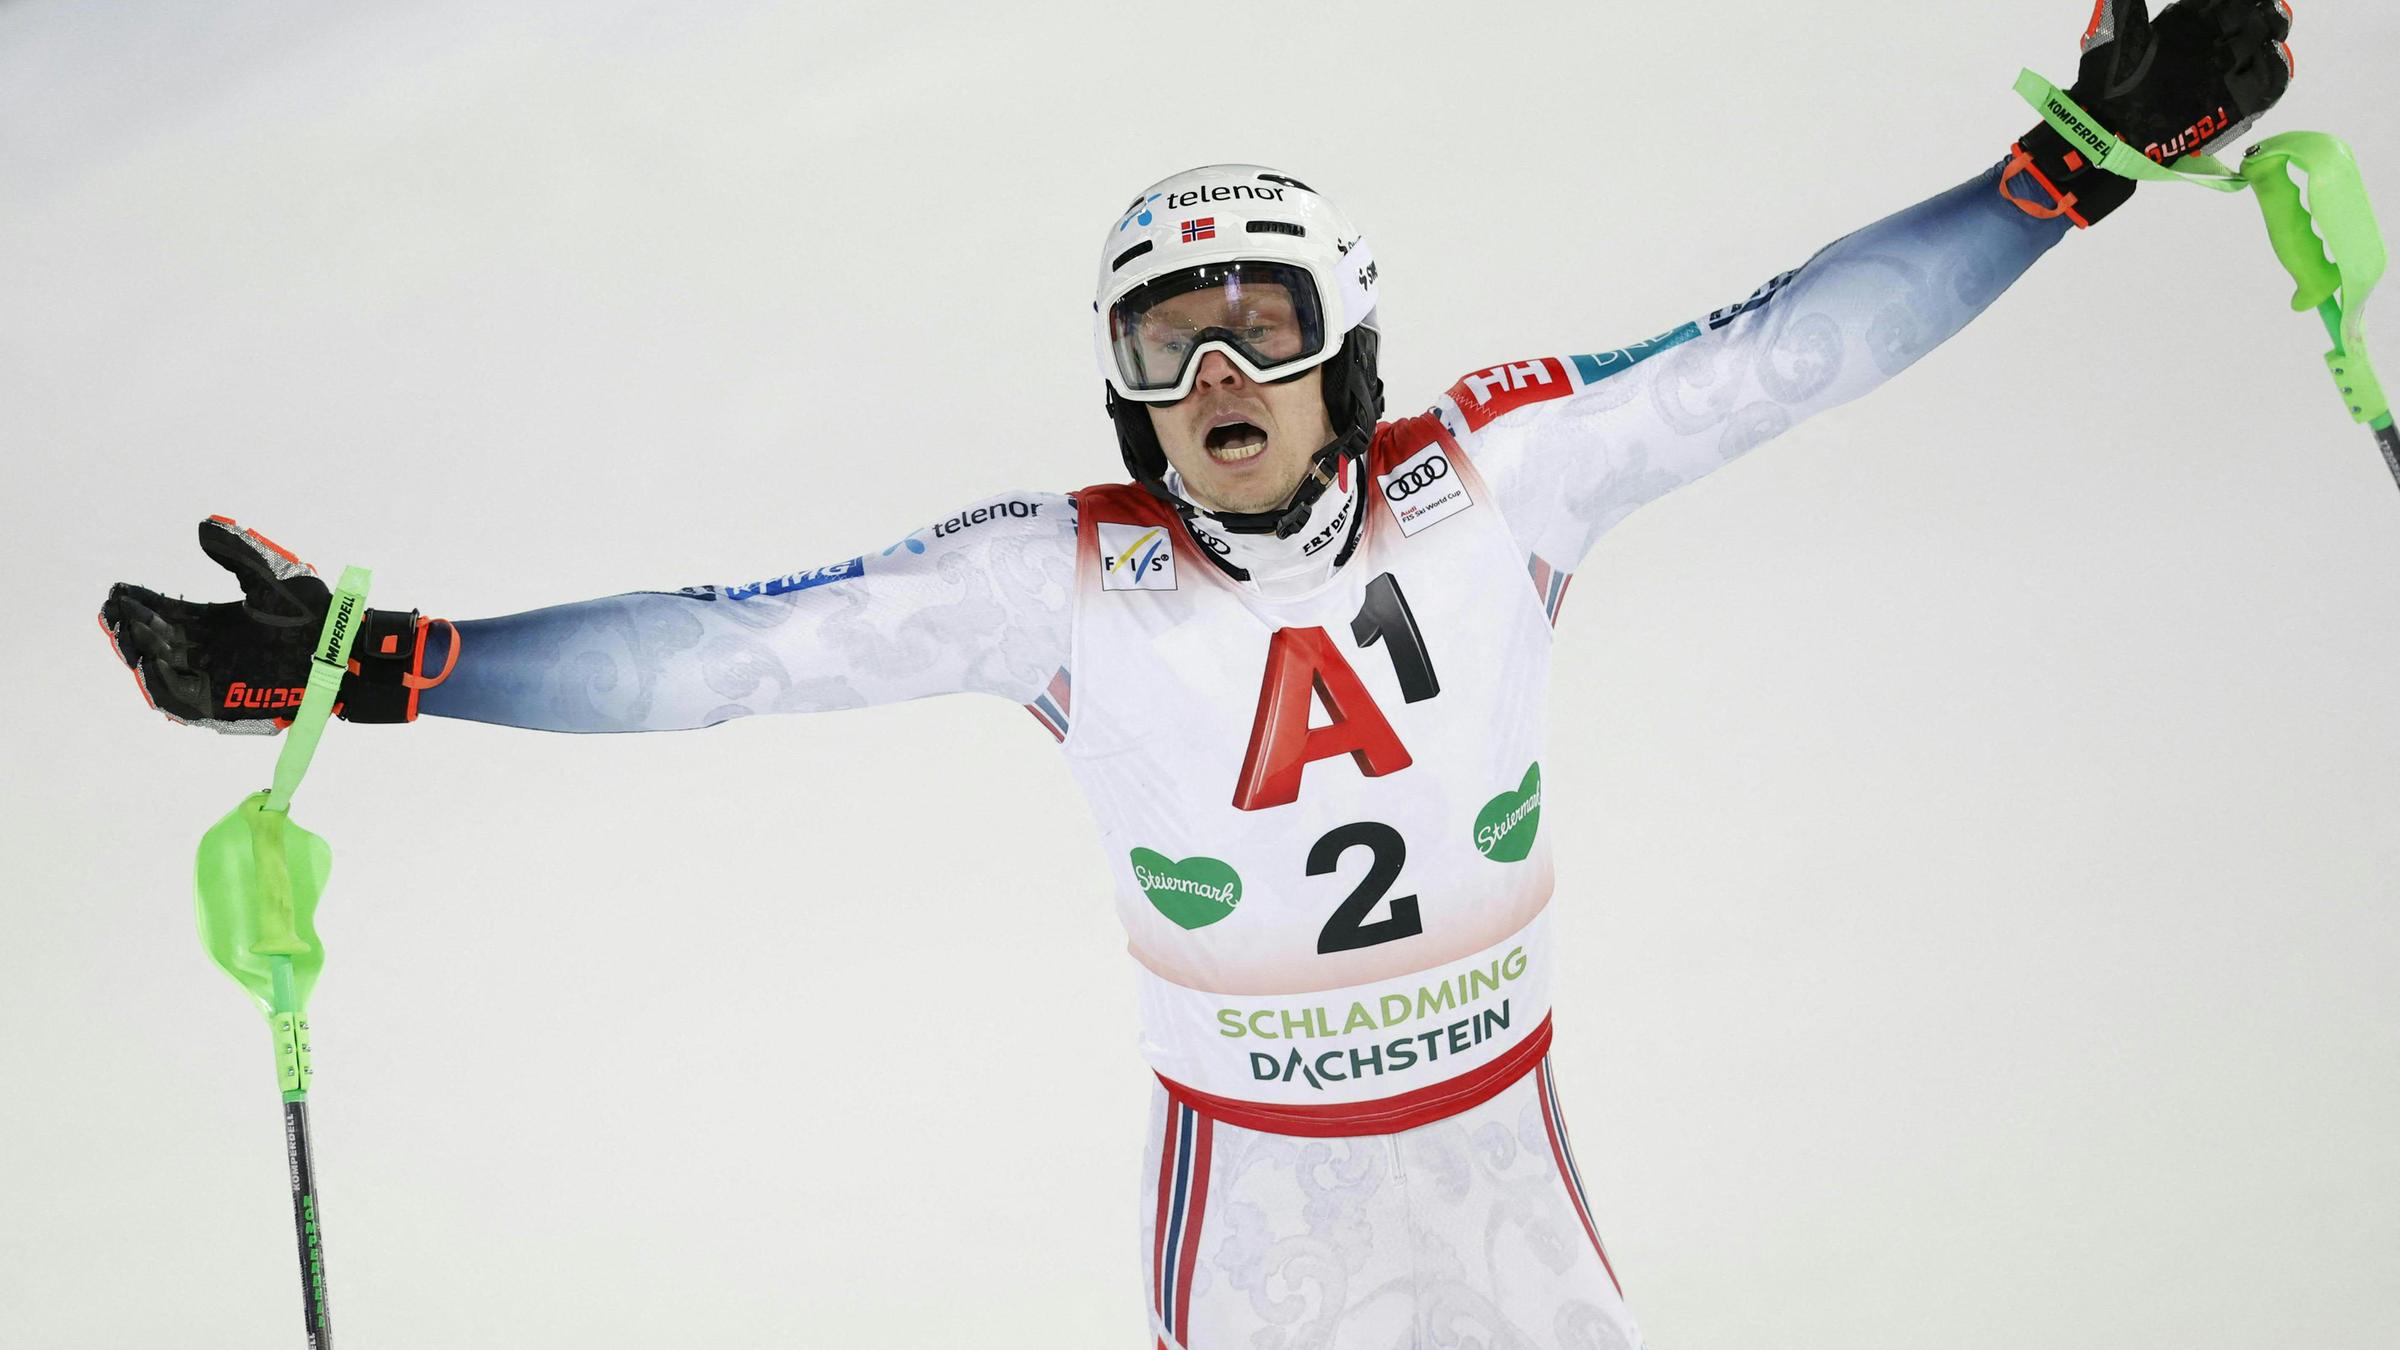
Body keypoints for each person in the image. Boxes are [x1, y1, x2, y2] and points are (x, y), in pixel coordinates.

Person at [99, 2, 2298, 1344]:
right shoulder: (1062, 581)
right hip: (1259, 1199)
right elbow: (725, 658)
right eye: (1165, 345)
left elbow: (1793, 353)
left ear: (1349, 350)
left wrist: (2070, 173)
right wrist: (395, 667)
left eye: (1258, 323)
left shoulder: (1499, 478)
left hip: (1498, 1150)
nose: (1215, 374)